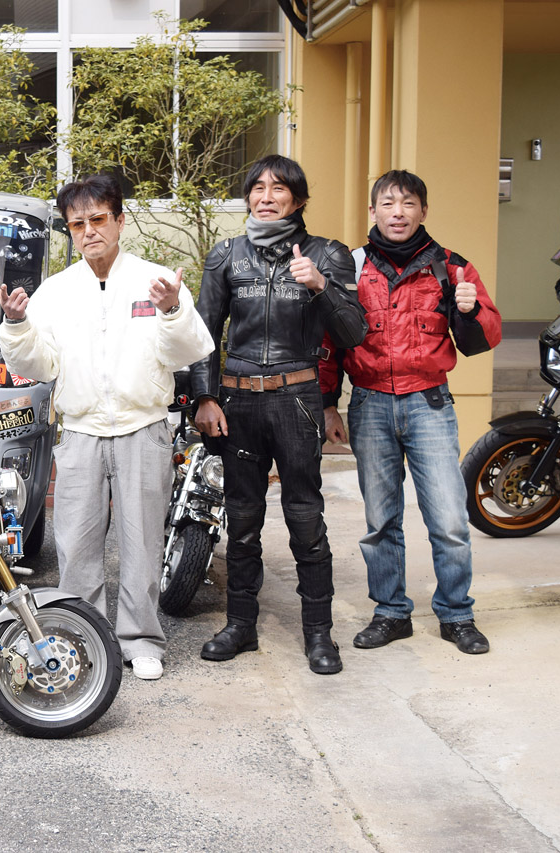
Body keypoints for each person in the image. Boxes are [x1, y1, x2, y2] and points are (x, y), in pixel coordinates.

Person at [0, 173, 214, 681]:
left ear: (120, 220)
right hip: (80, 431)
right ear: (69, 231)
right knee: (76, 544)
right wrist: (17, 325)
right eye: (78, 224)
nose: (89, 231)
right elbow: (39, 366)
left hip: (144, 426)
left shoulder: (155, 281)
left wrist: (172, 310)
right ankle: (84, 636)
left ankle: (141, 640)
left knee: (142, 543)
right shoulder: (55, 291)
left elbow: (187, 352)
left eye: (98, 219)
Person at [190, 154, 367, 675]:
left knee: (305, 518)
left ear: (299, 199)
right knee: (243, 519)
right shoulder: (226, 255)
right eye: (257, 188)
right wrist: (204, 397)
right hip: (239, 401)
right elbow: (203, 334)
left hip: (297, 401)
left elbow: (354, 333)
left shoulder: (328, 254)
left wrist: (320, 286)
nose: (266, 197)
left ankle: (319, 634)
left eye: (279, 188)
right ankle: (240, 625)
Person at [320, 169, 501, 655]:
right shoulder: (351, 266)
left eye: (408, 204)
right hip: (369, 404)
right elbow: (330, 340)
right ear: (373, 211)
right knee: (381, 520)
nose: (397, 213)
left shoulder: (451, 267)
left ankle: (457, 614)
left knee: (448, 518)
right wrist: (327, 405)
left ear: (423, 211)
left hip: (429, 404)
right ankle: (391, 612)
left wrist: (470, 310)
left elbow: (483, 340)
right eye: (388, 203)